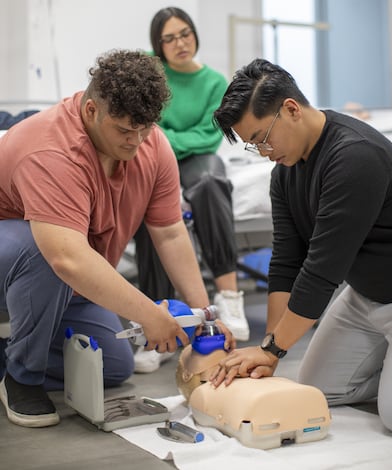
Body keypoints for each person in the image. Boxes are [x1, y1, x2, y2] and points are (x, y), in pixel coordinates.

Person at [0, 49, 235, 428]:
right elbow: (66, 257)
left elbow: (171, 233)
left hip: (63, 282)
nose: (137, 142)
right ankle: (22, 377)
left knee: (113, 363)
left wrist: (203, 315)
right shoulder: (49, 150)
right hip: (21, 260)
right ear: (92, 111)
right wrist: (149, 315)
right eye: (125, 131)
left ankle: (10, 355)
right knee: (42, 250)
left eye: (145, 129)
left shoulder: (151, 145)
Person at [210, 58, 392, 437]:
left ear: (291, 109)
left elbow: (322, 270)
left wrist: (271, 351)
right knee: (319, 391)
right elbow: (287, 260)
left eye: (261, 138)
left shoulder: (354, 156)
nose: (264, 152)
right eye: (254, 146)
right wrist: (270, 349)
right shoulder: (284, 174)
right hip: (365, 298)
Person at [133, 6, 249, 374]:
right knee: (151, 203)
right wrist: (166, 141)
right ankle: (157, 319)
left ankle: (228, 295)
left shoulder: (215, 83)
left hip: (196, 158)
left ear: (195, 34)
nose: (179, 43)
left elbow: (209, 136)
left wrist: (170, 140)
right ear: (158, 45)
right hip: (154, 155)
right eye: (168, 38)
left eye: (184, 33)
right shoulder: (150, 71)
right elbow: (147, 126)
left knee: (212, 182)